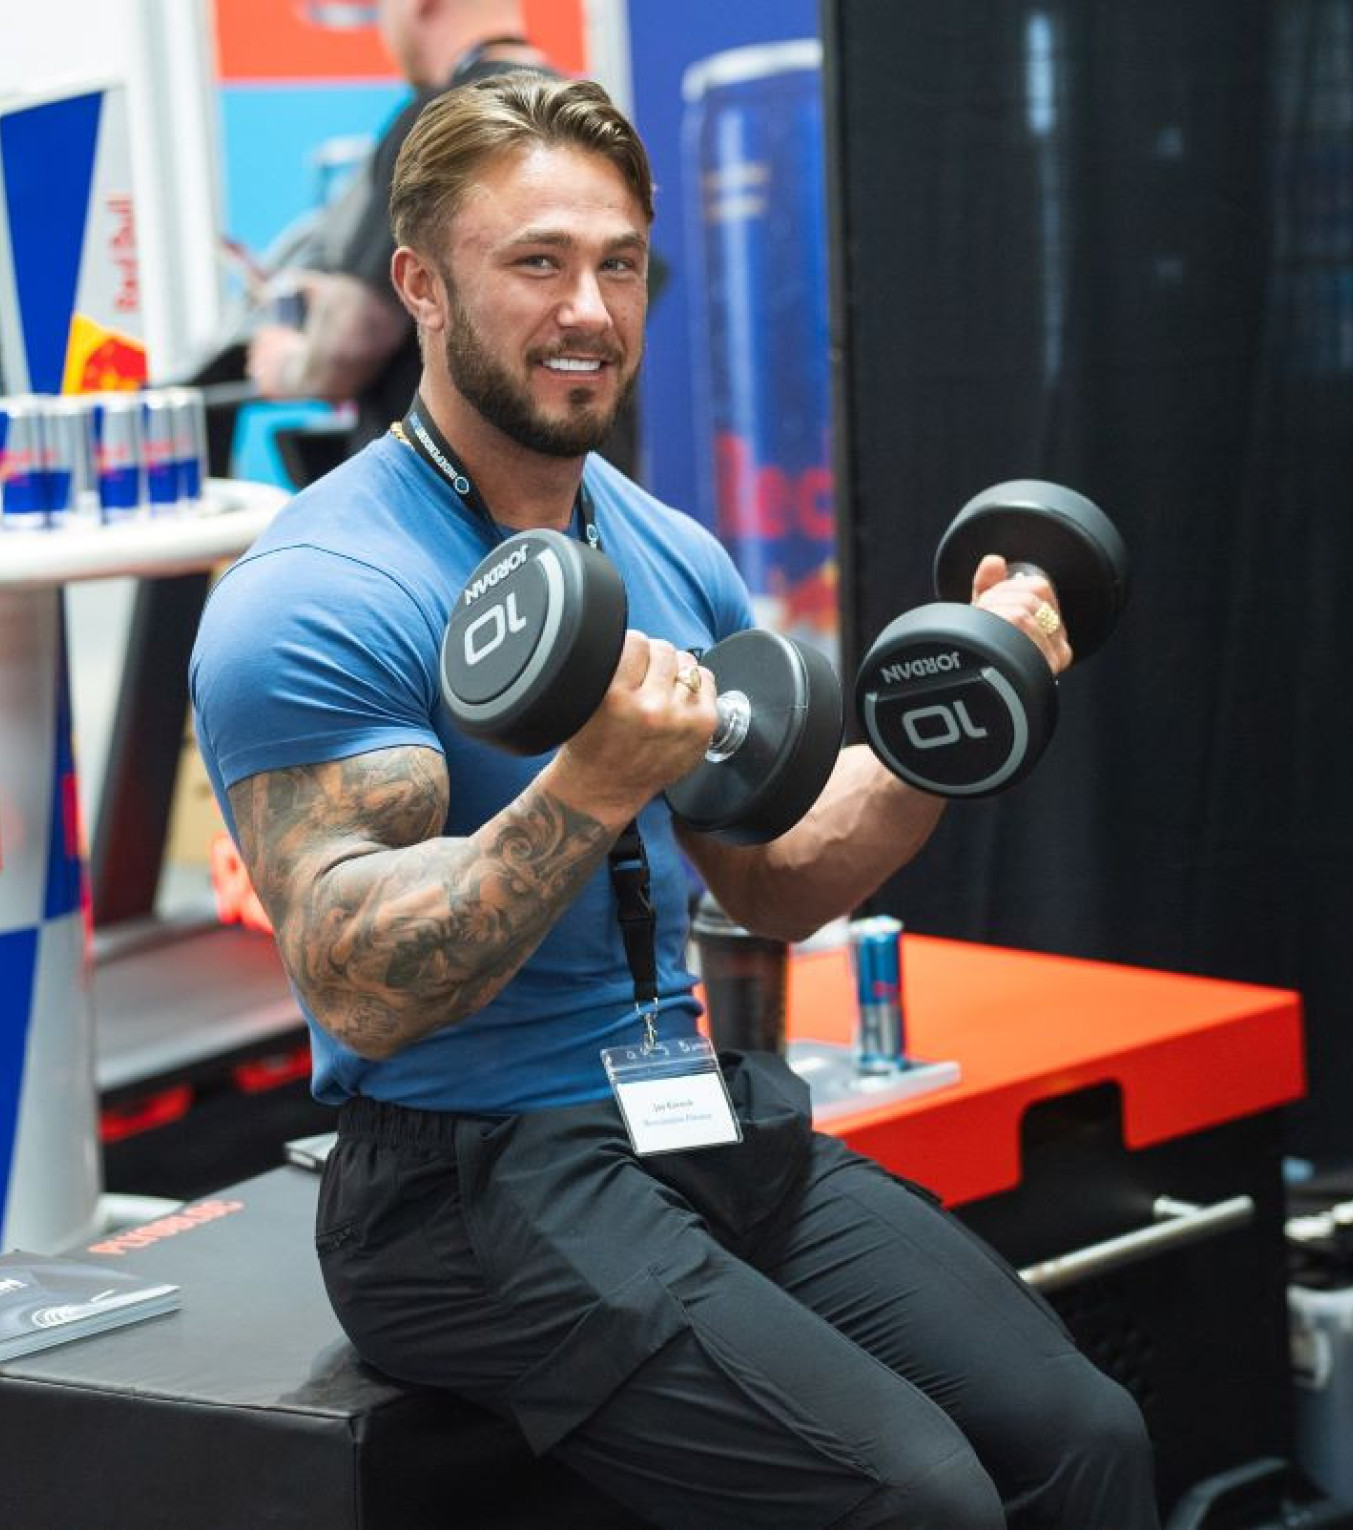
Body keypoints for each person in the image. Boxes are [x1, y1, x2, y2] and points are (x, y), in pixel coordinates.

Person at [190, 73, 1159, 1529]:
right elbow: (357, 977)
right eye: (536, 262)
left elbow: (770, 881)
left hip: (687, 1113)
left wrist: (952, 717)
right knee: (920, 1502)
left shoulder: (668, 551)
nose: (590, 308)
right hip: (462, 1179)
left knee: (1083, 1434)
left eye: (619, 263)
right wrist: (585, 789)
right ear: (423, 286)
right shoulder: (319, 595)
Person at [246, 0, 556, 452]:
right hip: (577, 489)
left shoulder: (437, 123)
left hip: (445, 499)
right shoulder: (587, 117)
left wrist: (290, 365)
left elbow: (355, 336)